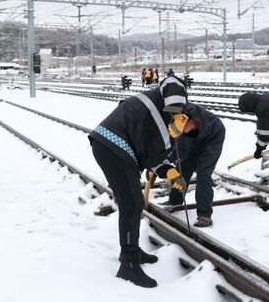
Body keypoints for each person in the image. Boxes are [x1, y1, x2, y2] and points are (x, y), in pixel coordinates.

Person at [89, 76, 190, 288]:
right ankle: (128, 264)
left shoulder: (156, 102)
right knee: (132, 204)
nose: (173, 112)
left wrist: (169, 172)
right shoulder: (154, 110)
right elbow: (157, 147)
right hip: (113, 148)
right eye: (171, 108)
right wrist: (172, 143)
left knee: (133, 203)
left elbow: (148, 152)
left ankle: (132, 251)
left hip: (116, 148)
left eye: (177, 109)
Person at [167, 103, 225, 227]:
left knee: (203, 174)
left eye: (183, 130)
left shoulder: (189, 119)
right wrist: (160, 163)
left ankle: (205, 216)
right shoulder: (174, 115)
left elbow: (181, 149)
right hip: (196, 138)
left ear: (189, 121)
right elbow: (174, 146)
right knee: (183, 168)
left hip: (213, 137)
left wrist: (165, 163)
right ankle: (174, 201)